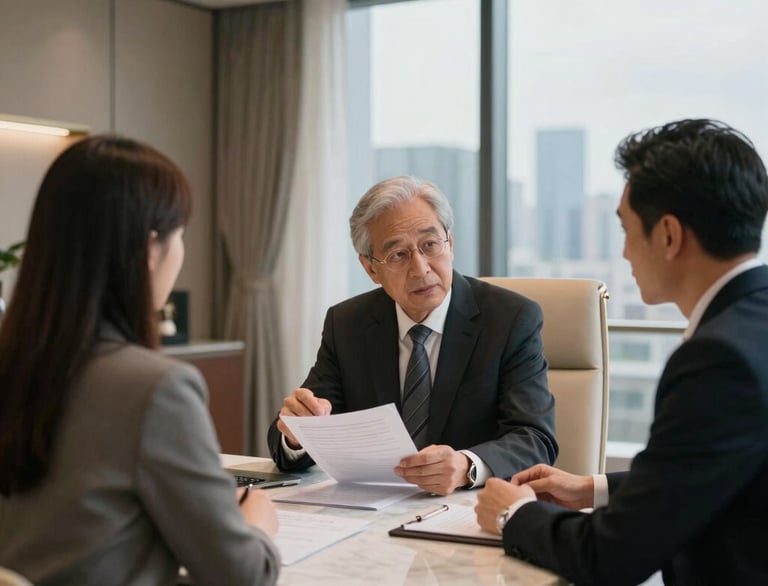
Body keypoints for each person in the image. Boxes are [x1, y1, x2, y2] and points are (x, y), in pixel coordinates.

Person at [475, 119, 768, 585]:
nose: (626, 252)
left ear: (669, 235)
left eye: (627, 229)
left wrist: (515, 517)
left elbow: (610, 557)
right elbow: (713, 467)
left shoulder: (718, 359)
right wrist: (595, 487)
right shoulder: (753, 323)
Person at [0, 136, 281, 585]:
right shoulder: (157, 389)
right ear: (151, 248)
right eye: (180, 234)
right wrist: (257, 524)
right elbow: (242, 576)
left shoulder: (17, 365)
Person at [267, 175, 558, 495]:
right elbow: (305, 427)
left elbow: (535, 438)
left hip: (470, 509)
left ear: (450, 243)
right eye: (398, 255)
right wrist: (298, 433)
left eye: (430, 245)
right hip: (372, 510)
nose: (420, 268)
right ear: (370, 269)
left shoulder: (511, 319)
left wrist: (467, 466)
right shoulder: (348, 324)